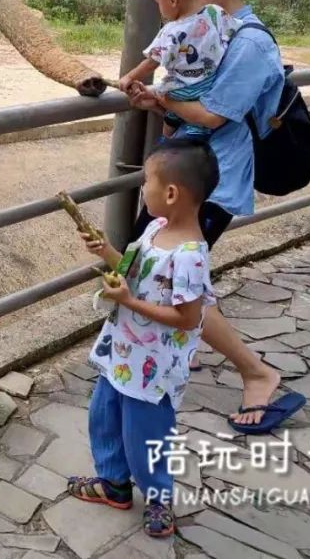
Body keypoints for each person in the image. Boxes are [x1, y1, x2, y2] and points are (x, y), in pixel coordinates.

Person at [126, 0, 298, 433]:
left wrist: (160, 95)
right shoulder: (208, 33)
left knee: (176, 277)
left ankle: (256, 372)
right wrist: (157, 101)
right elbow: (189, 97)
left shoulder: (249, 43)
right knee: (151, 263)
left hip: (212, 180)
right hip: (188, 173)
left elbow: (211, 114)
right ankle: (190, 342)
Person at [69, 140, 217, 537]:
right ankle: (114, 483)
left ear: (171, 193)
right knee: (105, 416)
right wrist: (108, 253)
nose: (143, 188)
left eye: (147, 181)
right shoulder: (154, 228)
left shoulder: (190, 256)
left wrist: (129, 301)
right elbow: (132, 270)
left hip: (154, 368)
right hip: (122, 351)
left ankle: (158, 496)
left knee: (147, 434)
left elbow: (186, 318)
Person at [119, 0, 240, 140]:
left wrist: (129, 77)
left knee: (168, 112)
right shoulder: (216, 12)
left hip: (181, 92)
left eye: (158, 3)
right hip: (210, 87)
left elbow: (152, 62)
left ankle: (168, 139)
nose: (160, 9)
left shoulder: (172, 31)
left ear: (172, 0)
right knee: (196, 131)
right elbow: (234, 32)